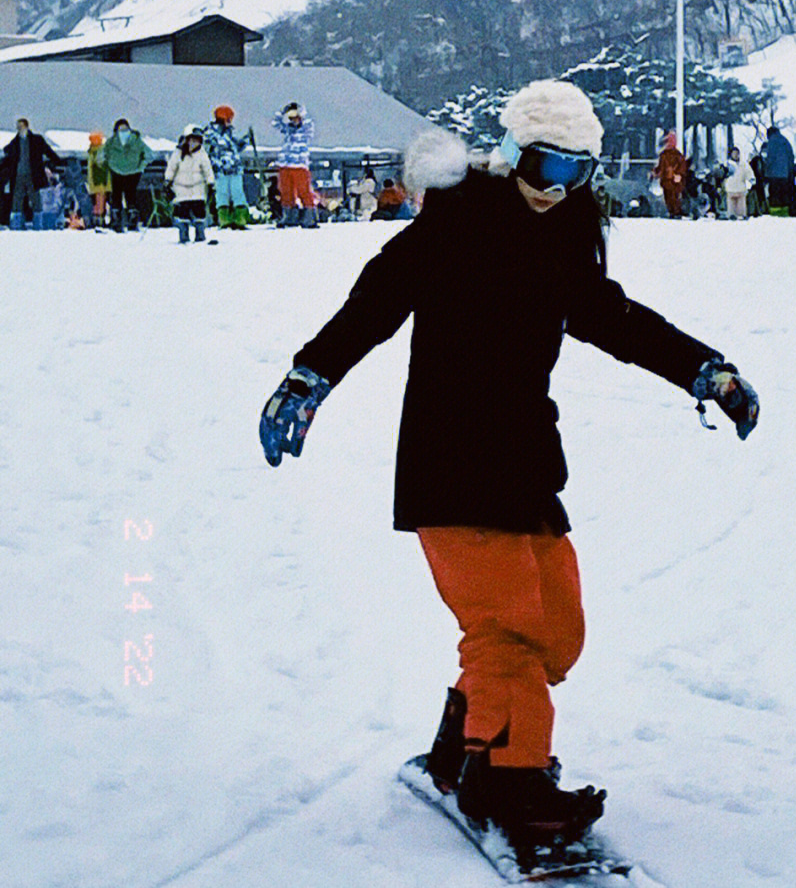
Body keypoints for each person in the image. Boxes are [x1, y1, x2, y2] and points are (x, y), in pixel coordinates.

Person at [257, 80, 760, 850]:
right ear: (511, 153)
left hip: (526, 460)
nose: (554, 190)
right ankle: (509, 781)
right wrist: (308, 375)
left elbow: (618, 321)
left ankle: (463, 745)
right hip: (449, 459)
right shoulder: (455, 222)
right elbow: (375, 301)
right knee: (507, 629)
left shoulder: (564, 241)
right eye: (542, 167)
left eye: (575, 174)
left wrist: (704, 369)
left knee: (557, 629)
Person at [1, 118, 65, 229]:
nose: (19, 129)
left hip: (33, 175)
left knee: (35, 199)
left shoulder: (36, 140)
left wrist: (59, 162)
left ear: (26, 126)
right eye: (18, 127)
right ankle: (16, 225)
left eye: (21, 126)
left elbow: (48, 151)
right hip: (18, 175)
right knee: (17, 199)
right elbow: (7, 152)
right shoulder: (15, 142)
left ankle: (38, 225)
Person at [165, 125, 215, 243]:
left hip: (198, 188)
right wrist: (168, 181)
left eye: (197, 141)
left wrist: (210, 182)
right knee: (183, 214)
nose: (194, 143)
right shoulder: (178, 153)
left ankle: (200, 234)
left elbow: (207, 169)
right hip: (181, 189)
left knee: (199, 213)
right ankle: (183, 235)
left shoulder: (202, 155)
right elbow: (172, 167)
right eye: (191, 140)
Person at [203, 105, 251, 228]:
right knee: (222, 194)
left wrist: (245, 141)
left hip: (234, 169)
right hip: (220, 170)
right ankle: (225, 219)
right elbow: (218, 147)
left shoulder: (228, 132)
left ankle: (239, 218)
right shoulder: (211, 133)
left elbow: (234, 148)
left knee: (237, 193)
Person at [272, 103, 317, 228]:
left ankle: (309, 216)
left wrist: (300, 111)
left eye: (296, 117)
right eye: (291, 117)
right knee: (286, 191)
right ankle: (289, 216)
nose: (294, 120)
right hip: (285, 164)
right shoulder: (288, 129)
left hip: (299, 165)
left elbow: (308, 124)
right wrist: (283, 112)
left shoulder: (306, 129)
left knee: (304, 191)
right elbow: (275, 123)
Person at [103, 118, 152, 232]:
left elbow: (149, 155)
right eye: (121, 129)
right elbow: (102, 155)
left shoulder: (136, 141)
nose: (123, 132)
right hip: (116, 172)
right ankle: (116, 221)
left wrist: (141, 167)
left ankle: (132, 221)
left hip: (133, 173)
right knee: (116, 196)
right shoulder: (111, 142)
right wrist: (110, 164)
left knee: (131, 197)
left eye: (125, 129)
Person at [761, 125, 796, 215]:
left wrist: (765, 174)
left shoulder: (771, 143)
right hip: (786, 175)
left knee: (775, 196)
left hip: (773, 175)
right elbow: (791, 158)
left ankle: (775, 214)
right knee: (785, 195)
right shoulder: (786, 141)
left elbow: (769, 159)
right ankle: (785, 213)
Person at [652, 131, 688, 218]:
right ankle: (672, 211)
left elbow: (682, 166)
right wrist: (655, 172)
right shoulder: (664, 155)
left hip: (674, 180)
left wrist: (679, 174)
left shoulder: (677, 155)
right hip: (666, 180)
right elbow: (661, 166)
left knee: (674, 196)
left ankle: (676, 212)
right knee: (668, 196)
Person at [86, 132, 111, 229]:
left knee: (98, 202)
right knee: (99, 202)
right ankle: (99, 219)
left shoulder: (96, 152)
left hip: (98, 183)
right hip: (100, 183)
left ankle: (98, 220)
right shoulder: (98, 152)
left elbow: (97, 170)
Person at [724, 147, 752, 219]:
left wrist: (751, 179)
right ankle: (731, 215)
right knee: (731, 205)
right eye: (734, 153)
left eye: (737, 153)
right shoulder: (727, 164)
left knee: (741, 206)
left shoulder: (743, 164)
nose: (735, 155)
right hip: (730, 188)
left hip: (741, 188)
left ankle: (741, 215)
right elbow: (722, 174)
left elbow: (749, 172)